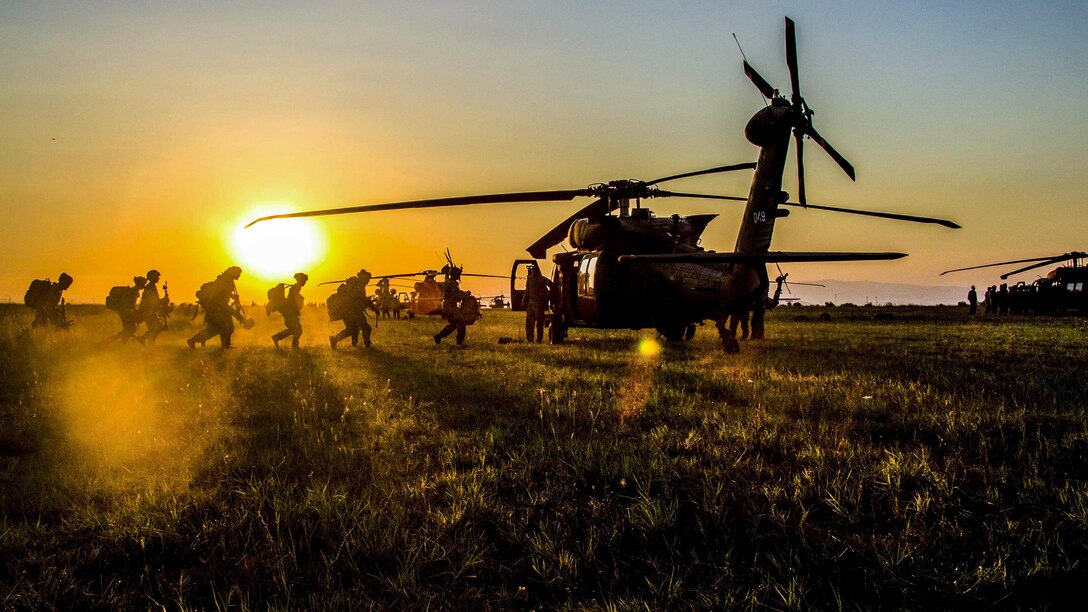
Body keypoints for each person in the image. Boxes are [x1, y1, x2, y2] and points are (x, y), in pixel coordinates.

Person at [187, 266, 252, 348]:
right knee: (227, 327)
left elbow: (224, 293)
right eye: (238, 274)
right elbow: (218, 294)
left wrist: (232, 297)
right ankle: (225, 345)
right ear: (233, 272)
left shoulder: (226, 280)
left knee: (215, 329)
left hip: (218, 307)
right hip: (217, 308)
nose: (239, 276)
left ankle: (193, 341)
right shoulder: (225, 281)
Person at [330, 270, 377, 349]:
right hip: (352, 312)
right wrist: (370, 303)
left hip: (351, 312)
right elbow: (359, 299)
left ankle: (335, 340)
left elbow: (362, 299)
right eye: (367, 279)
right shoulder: (356, 286)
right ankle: (367, 345)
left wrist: (373, 307)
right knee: (365, 328)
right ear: (363, 278)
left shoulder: (359, 286)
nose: (368, 281)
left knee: (352, 329)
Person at [434, 264, 469, 345]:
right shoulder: (452, 283)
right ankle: (459, 344)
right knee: (461, 323)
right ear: (455, 274)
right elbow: (456, 295)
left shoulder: (448, 282)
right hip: (450, 306)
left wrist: (464, 293)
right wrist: (466, 295)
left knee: (453, 324)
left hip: (447, 305)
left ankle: (438, 336)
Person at [272, 272, 308, 349]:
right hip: (290, 312)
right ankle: (295, 346)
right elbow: (293, 298)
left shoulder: (296, 287)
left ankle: (276, 337)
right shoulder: (296, 287)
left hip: (289, 311)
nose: (305, 283)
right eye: (304, 281)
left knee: (293, 329)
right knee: (298, 329)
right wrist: (301, 298)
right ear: (301, 280)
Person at [110, 276, 146, 343]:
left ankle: (114, 341)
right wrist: (131, 312)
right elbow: (127, 303)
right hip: (126, 312)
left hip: (125, 312)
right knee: (131, 329)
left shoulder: (133, 291)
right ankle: (118, 343)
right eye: (143, 284)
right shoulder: (133, 292)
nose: (144, 285)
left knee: (129, 329)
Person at [522, 264, 553, 343]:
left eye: (534, 270)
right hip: (531, 303)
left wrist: (546, 296)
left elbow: (552, 286)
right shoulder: (529, 279)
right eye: (532, 271)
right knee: (529, 323)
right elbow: (527, 291)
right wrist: (524, 301)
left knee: (539, 323)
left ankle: (539, 339)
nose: (533, 272)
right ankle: (529, 339)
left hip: (539, 303)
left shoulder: (542, 279)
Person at [137, 269, 165, 345]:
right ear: (152, 277)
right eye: (157, 276)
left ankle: (149, 344)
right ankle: (143, 340)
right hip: (148, 312)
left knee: (155, 329)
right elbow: (153, 301)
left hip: (150, 312)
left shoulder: (151, 287)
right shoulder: (150, 288)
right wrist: (163, 301)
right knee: (155, 329)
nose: (158, 278)